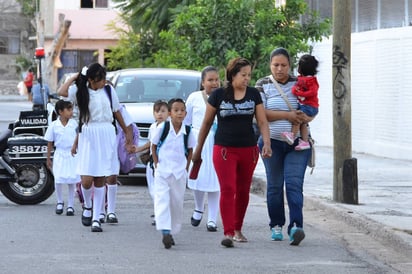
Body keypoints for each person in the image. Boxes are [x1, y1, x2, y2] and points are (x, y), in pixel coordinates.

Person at [192, 57, 272, 248]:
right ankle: (227, 232)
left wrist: (266, 143)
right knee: (228, 189)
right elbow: (206, 123)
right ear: (232, 75)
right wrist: (198, 150)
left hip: (248, 150)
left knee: (243, 190)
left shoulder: (253, 94)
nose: (247, 79)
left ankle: (238, 229)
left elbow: (262, 121)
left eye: (249, 75)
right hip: (224, 150)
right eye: (243, 75)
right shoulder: (218, 95)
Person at [255, 47, 313, 246]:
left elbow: (312, 107)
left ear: (290, 65)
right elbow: (261, 114)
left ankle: (296, 226)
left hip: (298, 144)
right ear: (270, 65)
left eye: (284, 65)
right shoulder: (263, 84)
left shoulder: (301, 83)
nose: (279, 69)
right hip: (272, 143)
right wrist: (288, 116)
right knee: (274, 185)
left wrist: (306, 116)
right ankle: (276, 225)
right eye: (275, 65)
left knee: (294, 184)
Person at [71, 63, 132, 232]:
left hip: (106, 133)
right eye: (100, 79)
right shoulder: (81, 94)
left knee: (100, 177)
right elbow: (78, 119)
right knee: (86, 178)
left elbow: (116, 111)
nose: (104, 82)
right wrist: (76, 141)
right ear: (90, 80)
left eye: (105, 78)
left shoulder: (108, 91)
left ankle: (97, 217)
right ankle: (88, 207)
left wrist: (127, 131)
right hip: (89, 134)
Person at [151, 98, 196, 249]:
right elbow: (154, 145)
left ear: (186, 113)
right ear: (170, 113)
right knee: (162, 200)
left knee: (176, 203)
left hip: (179, 173)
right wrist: (156, 164)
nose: (179, 113)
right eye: (176, 110)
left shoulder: (188, 131)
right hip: (163, 171)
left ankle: (171, 231)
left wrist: (186, 167)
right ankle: (165, 231)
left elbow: (190, 150)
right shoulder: (163, 128)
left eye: (182, 110)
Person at [184, 66, 221, 232]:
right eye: (210, 80)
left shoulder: (224, 97)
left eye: (216, 80)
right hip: (199, 141)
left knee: (215, 181)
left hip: (218, 141)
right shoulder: (194, 97)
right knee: (198, 177)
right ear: (203, 82)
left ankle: (212, 219)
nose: (214, 83)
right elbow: (186, 121)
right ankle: (198, 208)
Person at [133, 100, 169, 226]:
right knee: (153, 190)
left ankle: (161, 214)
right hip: (152, 162)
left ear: (168, 113)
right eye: (157, 111)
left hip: (164, 162)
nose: (160, 114)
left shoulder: (169, 128)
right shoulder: (153, 127)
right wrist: (138, 149)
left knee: (161, 190)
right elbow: (150, 143)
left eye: (163, 111)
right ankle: (159, 212)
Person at [44, 99, 80, 216]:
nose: (71, 112)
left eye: (71, 109)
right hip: (59, 153)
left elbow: (79, 137)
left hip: (72, 154)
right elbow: (50, 142)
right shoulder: (54, 125)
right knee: (58, 179)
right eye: (68, 109)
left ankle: (70, 205)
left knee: (71, 180)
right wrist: (48, 158)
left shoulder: (74, 124)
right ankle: (59, 201)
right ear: (60, 112)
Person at [280, 54, 319, 151]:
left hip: (309, 106)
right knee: (303, 123)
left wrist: (301, 93)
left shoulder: (311, 80)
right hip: (306, 105)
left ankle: (292, 135)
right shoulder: (301, 78)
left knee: (297, 118)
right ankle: (304, 142)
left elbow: (313, 92)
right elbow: (295, 88)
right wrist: (295, 91)